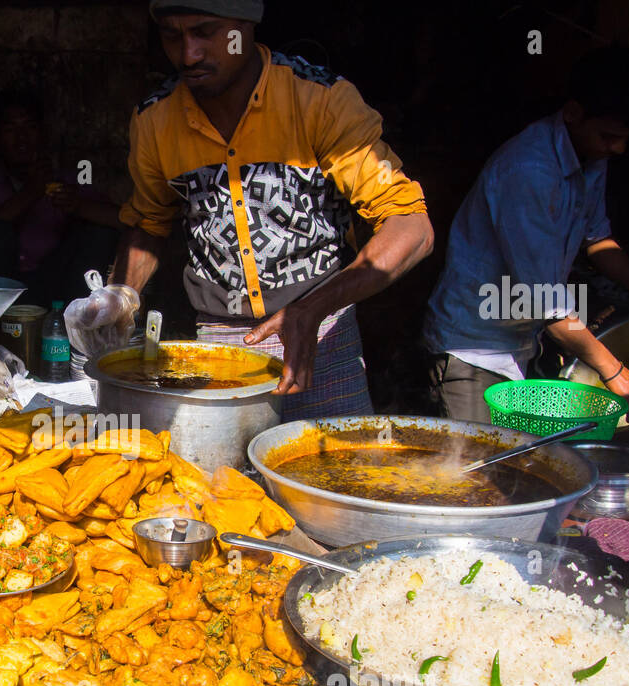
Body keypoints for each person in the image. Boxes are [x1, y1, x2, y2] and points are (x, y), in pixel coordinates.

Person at [99, 0, 433, 418]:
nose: (188, 54)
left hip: (323, 334)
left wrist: (314, 307)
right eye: (172, 36)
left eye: (205, 32)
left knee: (335, 476)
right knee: (221, 481)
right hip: (219, 345)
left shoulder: (320, 100)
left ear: (246, 26)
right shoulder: (155, 121)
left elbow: (411, 225)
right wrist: (120, 294)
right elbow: (149, 223)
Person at [423, 46, 629, 424]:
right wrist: (614, 371)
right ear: (572, 113)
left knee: (518, 470)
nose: (618, 148)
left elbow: (599, 243)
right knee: (478, 474)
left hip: (520, 343)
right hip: (472, 351)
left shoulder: (591, 157)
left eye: (625, 138)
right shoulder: (528, 172)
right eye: (608, 136)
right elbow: (544, 302)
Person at [0, 89, 121, 306]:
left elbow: (122, 219)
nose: (21, 138)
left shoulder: (63, 179)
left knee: (100, 231)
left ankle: (77, 328)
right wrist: (30, 193)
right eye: (10, 129)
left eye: (29, 127)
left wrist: (77, 206)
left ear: (42, 133)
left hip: (53, 288)